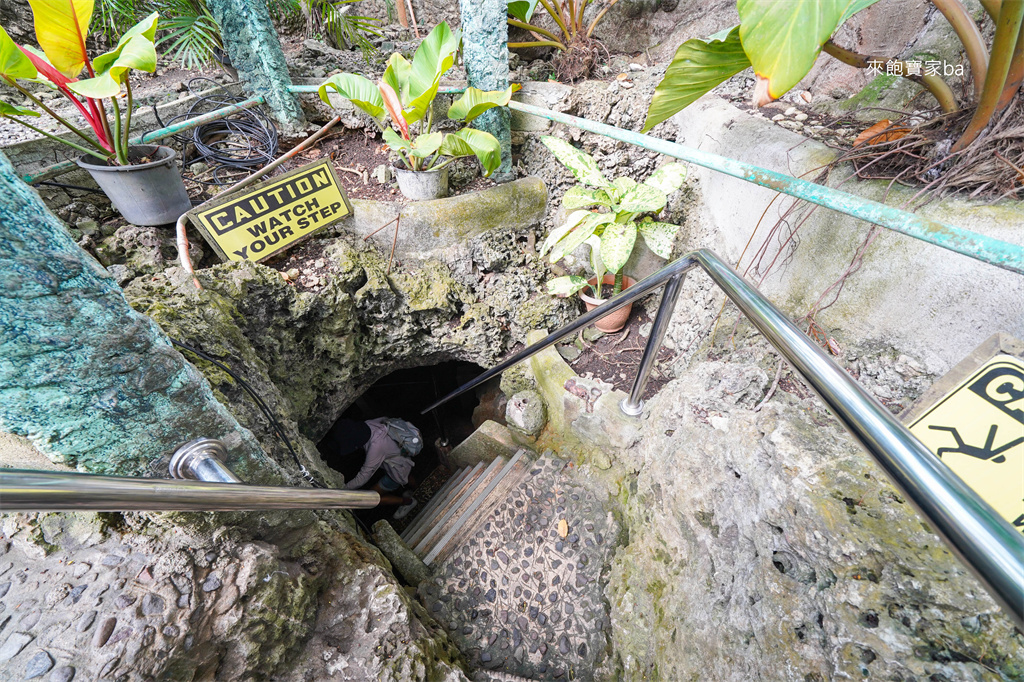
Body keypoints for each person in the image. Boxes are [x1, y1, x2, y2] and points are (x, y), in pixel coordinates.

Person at [330, 418, 418, 518]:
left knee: (371, 497)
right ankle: (416, 490)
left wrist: (343, 490)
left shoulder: (375, 448)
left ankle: (408, 502)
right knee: (407, 473)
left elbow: (363, 477)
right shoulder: (368, 424)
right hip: (403, 457)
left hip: (396, 472)